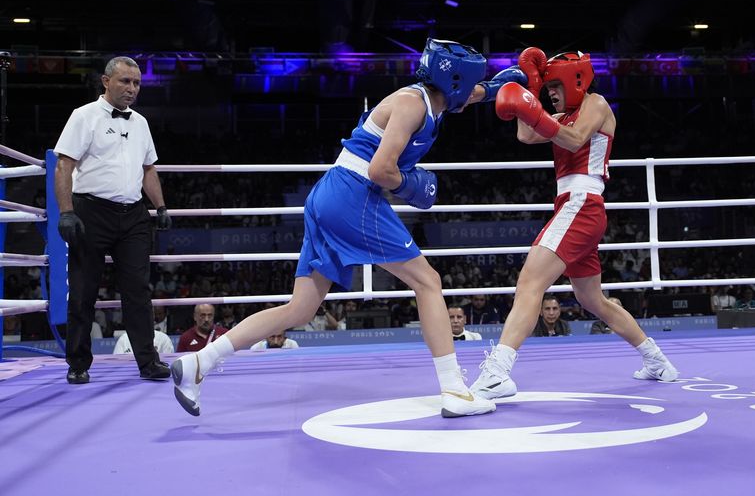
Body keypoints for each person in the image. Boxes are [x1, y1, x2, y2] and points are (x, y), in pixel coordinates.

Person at [171, 38, 529, 418]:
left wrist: (498, 88)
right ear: (454, 80)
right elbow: (380, 170)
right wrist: (414, 185)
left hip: (332, 193)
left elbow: (470, 93)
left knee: (300, 309)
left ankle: (199, 363)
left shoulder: (439, 96)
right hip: (355, 194)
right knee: (428, 282)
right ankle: (455, 390)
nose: (473, 90)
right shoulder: (411, 105)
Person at [470, 47, 678, 400]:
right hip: (574, 205)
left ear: (575, 80)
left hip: (582, 204)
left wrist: (533, 107)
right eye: (547, 86)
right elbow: (526, 135)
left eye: (553, 85)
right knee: (593, 299)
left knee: (530, 282)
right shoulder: (563, 114)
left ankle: (497, 373)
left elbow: (574, 138)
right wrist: (531, 90)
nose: (551, 92)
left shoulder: (595, 104)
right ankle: (657, 361)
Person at [54, 56, 172, 385]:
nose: (132, 89)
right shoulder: (84, 116)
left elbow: (148, 168)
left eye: (136, 83)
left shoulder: (141, 123)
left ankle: (148, 362)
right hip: (91, 211)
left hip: (133, 214)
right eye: (125, 81)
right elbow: (64, 165)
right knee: (82, 291)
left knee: (138, 290)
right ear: (106, 82)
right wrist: (66, 212)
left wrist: (160, 206)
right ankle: (77, 362)